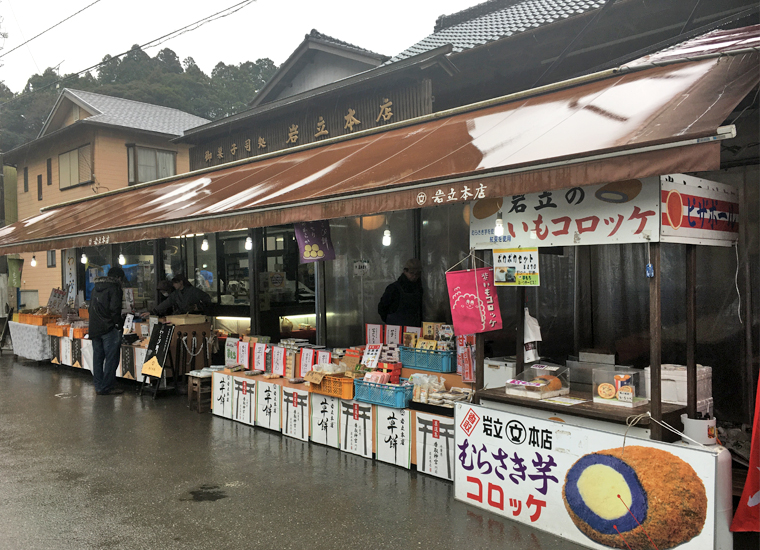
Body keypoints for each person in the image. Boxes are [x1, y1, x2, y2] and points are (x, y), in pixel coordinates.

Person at [89, 266, 126, 395]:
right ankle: (108, 386)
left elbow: (90, 308)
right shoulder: (115, 288)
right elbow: (115, 309)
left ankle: (99, 386)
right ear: (119, 278)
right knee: (111, 358)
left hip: (94, 328)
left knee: (98, 358)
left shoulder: (95, 288)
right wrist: (118, 324)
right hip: (109, 328)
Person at [378, 258, 423, 327]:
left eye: (417, 274)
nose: (414, 276)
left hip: (414, 329)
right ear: (405, 271)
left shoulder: (419, 289)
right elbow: (382, 308)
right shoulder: (393, 289)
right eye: (411, 273)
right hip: (395, 329)